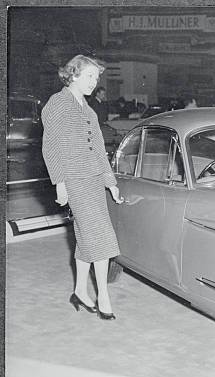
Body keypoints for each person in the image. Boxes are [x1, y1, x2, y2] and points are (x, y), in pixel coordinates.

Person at [41, 54, 123, 320]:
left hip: (93, 181)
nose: (94, 82)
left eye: (96, 78)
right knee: (101, 238)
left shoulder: (88, 110)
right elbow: (51, 147)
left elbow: (99, 150)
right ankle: (103, 297)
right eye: (89, 76)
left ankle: (79, 291)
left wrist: (111, 183)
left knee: (86, 237)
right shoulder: (58, 103)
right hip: (74, 181)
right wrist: (59, 184)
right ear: (73, 74)